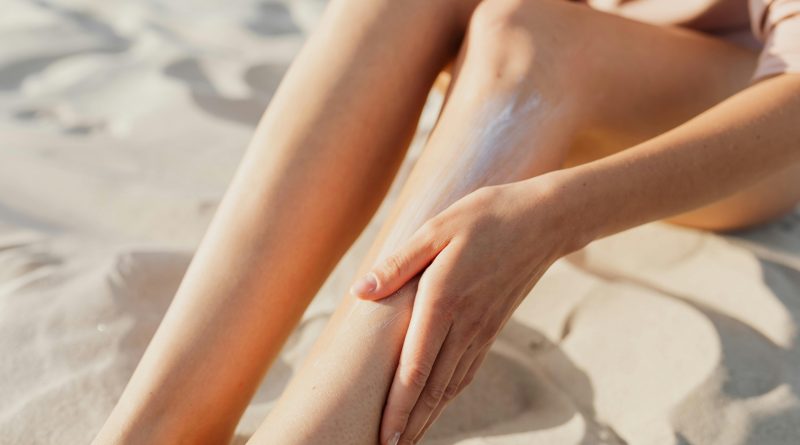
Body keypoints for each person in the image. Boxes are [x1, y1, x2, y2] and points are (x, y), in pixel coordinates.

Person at [92, 0, 800, 444]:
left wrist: (561, 214)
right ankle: (155, 430)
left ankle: (320, 434)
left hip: (753, 131)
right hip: (597, 51)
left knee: (530, 34)